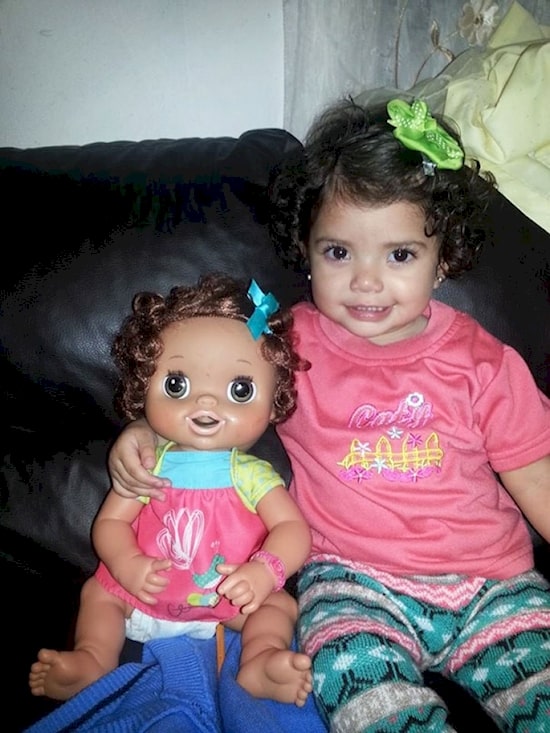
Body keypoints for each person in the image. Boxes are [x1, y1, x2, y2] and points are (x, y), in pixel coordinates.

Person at [106, 98, 550, 732]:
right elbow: (203, 391)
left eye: (399, 255)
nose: (366, 281)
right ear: (307, 248)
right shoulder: (283, 346)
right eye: (339, 252)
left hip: (492, 581)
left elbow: (536, 477)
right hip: (353, 583)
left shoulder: (484, 362)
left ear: (443, 259)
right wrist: (145, 431)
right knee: (357, 686)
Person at [29, 273, 313, 707]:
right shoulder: (148, 463)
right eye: (177, 385)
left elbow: (292, 529)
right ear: (144, 387)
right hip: (143, 594)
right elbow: (110, 523)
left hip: (227, 600)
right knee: (98, 594)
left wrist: (264, 572)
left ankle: (261, 661)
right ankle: (92, 660)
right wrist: (126, 564)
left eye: (239, 390)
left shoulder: (253, 475)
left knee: (279, 608)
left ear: (274, 402)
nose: (206, 403)